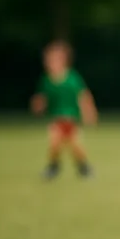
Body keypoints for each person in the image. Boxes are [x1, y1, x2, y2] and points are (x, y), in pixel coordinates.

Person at [31, 40, 97, 179]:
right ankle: (53, 167)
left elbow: (83, 96)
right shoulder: (46, 80)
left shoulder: (72, 79)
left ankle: (84, 167)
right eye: (48, 59)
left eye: (54, 59)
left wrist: (89, 113)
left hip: (71, 119)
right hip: (57, 119)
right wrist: (38, 105)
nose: (50, 63)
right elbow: (42, 98)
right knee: (54, 143)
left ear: (64, 60)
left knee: (76, 147)